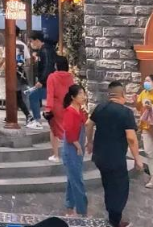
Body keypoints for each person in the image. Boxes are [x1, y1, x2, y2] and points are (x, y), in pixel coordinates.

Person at [86, 80, 144, 227]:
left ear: (109, 94)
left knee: (108, 184)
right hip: (116, 157)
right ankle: (115, 220)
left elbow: (88, 124)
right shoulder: (126, 113)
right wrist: (137, 158)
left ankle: (112, 216)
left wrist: (89, 142)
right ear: (122, 94)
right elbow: (131, 138)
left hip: (100, 156)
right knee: (120, 188)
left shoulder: (100, 108)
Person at [61, 84, 88, 218]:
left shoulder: (80, 110)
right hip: (72, 149)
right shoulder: (69, 111)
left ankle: (69, 208)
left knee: (72, 180)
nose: (83, 96)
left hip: (78, 147)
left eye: (84, 93)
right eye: (80, 94)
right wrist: (78, 146)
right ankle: (82, 211)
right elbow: (69, 132)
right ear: (73, 97)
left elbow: (85, 123)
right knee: (77, 180)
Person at [45, 57, 75, 163]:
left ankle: (56, 155)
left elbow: (50, 94)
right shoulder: (70, 77)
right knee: (68, 129)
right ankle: (70, 154)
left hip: (56, 106)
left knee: (54, 131)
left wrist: (48, 108)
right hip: (68, 105)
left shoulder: (52, 77)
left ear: (56, 65)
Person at [27, 31, 56, 130]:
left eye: (31, 41)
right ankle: (38, 120)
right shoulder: (44, 50)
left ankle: (37, 120)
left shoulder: (45, 51)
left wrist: (42, 81)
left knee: (33, 96)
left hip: (48, 82)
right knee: (34, 96)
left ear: (37, 40)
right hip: (47, 81)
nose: (31, 44)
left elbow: (47, 67)